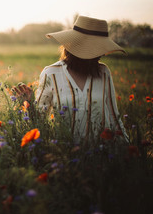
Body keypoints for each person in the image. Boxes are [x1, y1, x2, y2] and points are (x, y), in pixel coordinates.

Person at [13, 15, 129, 144]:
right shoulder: (51, 73)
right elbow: (40, 122)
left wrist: (128, 151)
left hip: (102, 154)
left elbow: (114, 117)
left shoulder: (103, 72)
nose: (100, 54)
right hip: (65, 155)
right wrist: (29, 104)